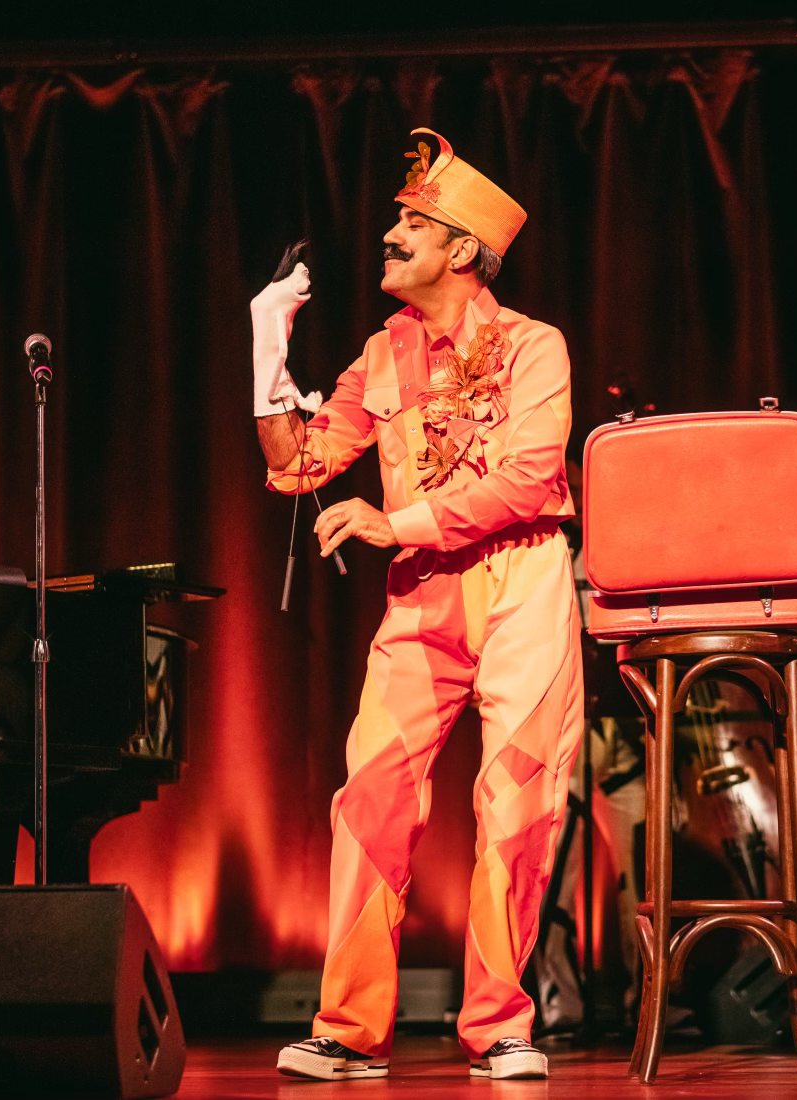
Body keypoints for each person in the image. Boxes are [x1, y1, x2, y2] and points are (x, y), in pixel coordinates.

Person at [251, 129, 584, 1081]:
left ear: (464, 250)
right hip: (422, 599)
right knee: (371, 799)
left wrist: (395, 522)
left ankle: (499, 1025)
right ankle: (349, 1031)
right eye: (397, 218)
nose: (390, 233)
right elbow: (297, 466)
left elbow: (526, 481)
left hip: (520, 578)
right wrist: (266, 338)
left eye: (413, 222)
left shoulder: (532, 346)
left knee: (516, 802)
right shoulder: (381, 352)